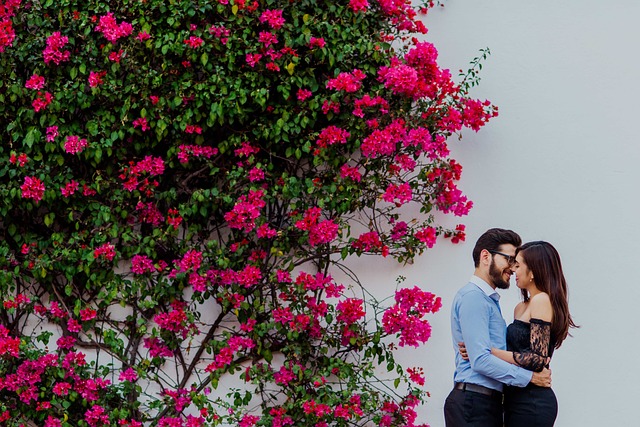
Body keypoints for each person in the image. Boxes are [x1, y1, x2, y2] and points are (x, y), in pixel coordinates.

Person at [444, 228, 552, 427]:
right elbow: (481, 361)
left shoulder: (488, 301)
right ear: (486, 256)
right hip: (473, 403)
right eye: (509, 259)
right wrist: (530, 378)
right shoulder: (474, 298)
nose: (512, 268)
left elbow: (485, 353)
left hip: (487, 403)